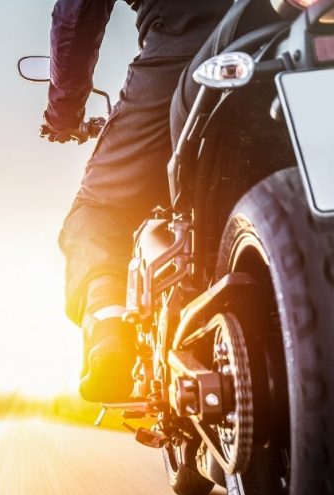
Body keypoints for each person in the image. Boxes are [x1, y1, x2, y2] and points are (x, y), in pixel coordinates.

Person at [42, 0, 231, 402]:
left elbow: (76, 15)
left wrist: (64, 113)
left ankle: (110, 331)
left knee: (98, 209)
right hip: (299, 35)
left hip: (187, 51)